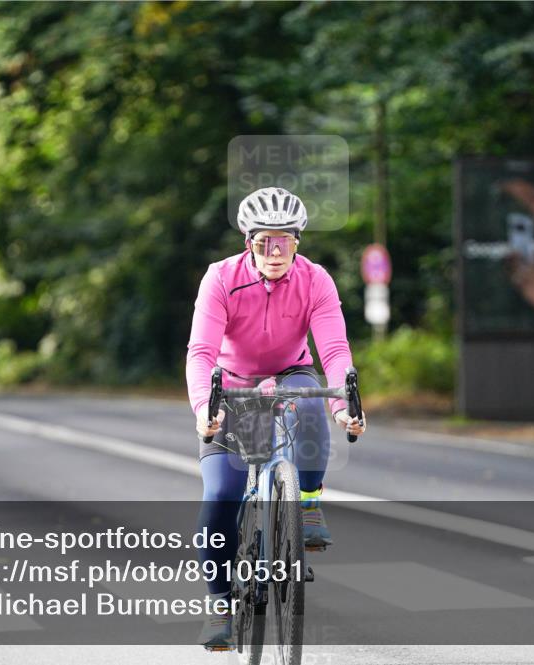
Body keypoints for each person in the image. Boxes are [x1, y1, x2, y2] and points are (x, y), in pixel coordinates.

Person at [186, 186, 366, 648]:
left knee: (308, 398)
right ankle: (220, 605)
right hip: (232, 384)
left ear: (297, 243)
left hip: (291, 372)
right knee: (222, 493)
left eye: (284, 241)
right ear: (249, 243)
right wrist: (205, 407)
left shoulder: (316, 280)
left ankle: (306, 502)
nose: (274, 252)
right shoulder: (221, 278)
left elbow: (334, 348)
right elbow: (202, 351)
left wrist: (344, 406)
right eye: (265, 242)